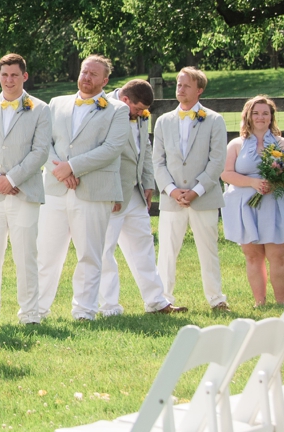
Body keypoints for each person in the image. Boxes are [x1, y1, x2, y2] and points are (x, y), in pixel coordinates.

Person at [36, 55, 128, 321]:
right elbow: (44, 141)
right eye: (84, 72)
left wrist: (73, 167)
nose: (87, 78)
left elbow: (112, 149)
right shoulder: (57, 103)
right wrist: (61, 171)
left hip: (93, 190)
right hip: (55, 188)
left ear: (105, 81)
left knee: (89, 254)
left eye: (93, 74)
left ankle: (84, 310)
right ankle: (37, 310)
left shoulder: (117, 109)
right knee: (46, 253)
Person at [153, 66, 229, 311]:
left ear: (199, 90)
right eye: (178, 84)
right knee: (166, 252)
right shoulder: (164, 121)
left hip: (204, 198)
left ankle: (216, 299)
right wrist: (172, 190)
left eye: (186, 85)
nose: (180, 89)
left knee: (208, 250)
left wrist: (196, 190)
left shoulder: (214, 120)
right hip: (171, 199)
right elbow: (158, 161)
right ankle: (163, 299)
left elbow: (217, 161)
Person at [99, 80, 178, 316]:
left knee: (144, 244)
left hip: (135, 191)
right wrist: (111, 191)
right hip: (111, 190)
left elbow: (145, 146)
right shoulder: (103, 108)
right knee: (106, 249)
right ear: (125, 101)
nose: (141, 114)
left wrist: (148, 182)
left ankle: (156, 301)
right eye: (138, 109)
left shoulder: (141, 114)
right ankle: (110, 306)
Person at [0, 54, 51, 326]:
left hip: (25, 191)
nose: (9, 80)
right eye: (4, 75)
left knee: (25, 256)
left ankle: (30, 315)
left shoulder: (40, 109)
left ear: (25, 76)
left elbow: (40, 151)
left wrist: (12, 179)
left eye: (14, 75)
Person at [221, 95, 284, 306]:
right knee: (253, 256)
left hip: (276, 205)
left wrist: (277, 183)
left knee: (278, 256)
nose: (260, 117)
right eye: (256, 113)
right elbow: (226, 174)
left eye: (265, 113)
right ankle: (260, 302)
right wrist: (252, 183)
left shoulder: (282, 144)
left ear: (271, 117)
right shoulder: (236, 144)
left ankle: (281, 302)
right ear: (248, 116)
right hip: (246, 207)